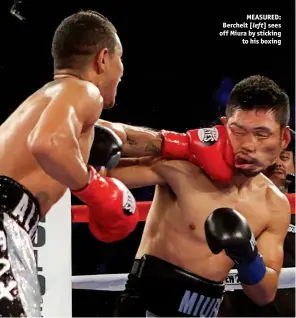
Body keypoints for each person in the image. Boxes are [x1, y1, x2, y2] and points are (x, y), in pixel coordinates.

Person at [98, 75, 292, 317]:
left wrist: (247, 255)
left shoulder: (274, 205)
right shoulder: (183, 167)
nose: (248, 145)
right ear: (223, 125)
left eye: (261, 134)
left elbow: (265, 294)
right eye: (238, 131)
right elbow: (97, 144)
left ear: (283, 138)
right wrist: (179, 144)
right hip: (144, 308)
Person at [0, 10, 139, 317]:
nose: (121, 70)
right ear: (103, 59)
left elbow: (122, 135)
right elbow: (47, 142)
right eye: (121, 58)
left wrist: (178, 144)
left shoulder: (46, 101)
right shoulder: (83, 91)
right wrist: (94, 188)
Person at [218, 137, 295, 317]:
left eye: (284, 157)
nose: (278, 163)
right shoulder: (233, 202)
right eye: (272, 157)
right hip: (237, 307)